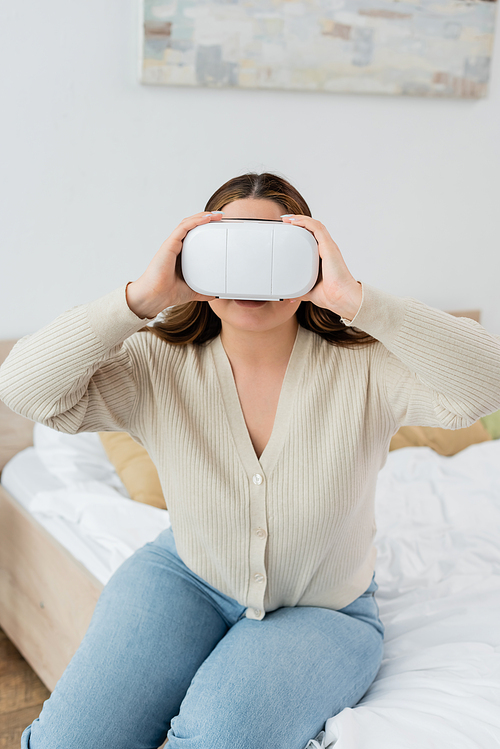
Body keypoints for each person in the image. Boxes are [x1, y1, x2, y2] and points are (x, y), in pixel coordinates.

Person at [1, 172, 499, 749]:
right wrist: (140, 297)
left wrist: (354, 298)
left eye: (275, 251)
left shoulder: (369, 367)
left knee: (218, 738)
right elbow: (26, 389)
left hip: (325, 610)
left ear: (314, 259)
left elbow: (484, 384)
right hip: (185, 576)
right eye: (229, 252)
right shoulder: (154, 364)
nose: (252, 278)